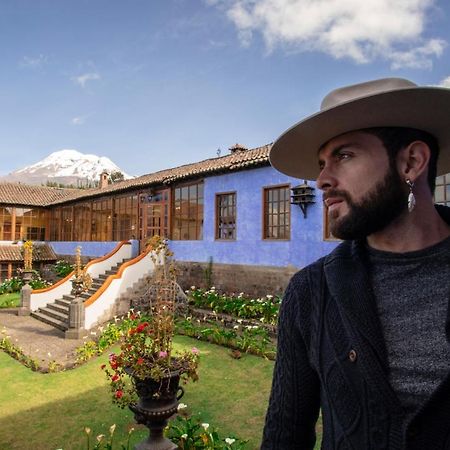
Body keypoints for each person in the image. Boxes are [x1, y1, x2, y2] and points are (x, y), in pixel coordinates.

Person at [261, 78, 450, 449]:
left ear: (411, 161)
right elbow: (285, 433)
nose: (321, 181)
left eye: (344, 156)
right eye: (320, 163)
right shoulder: (311, 292)